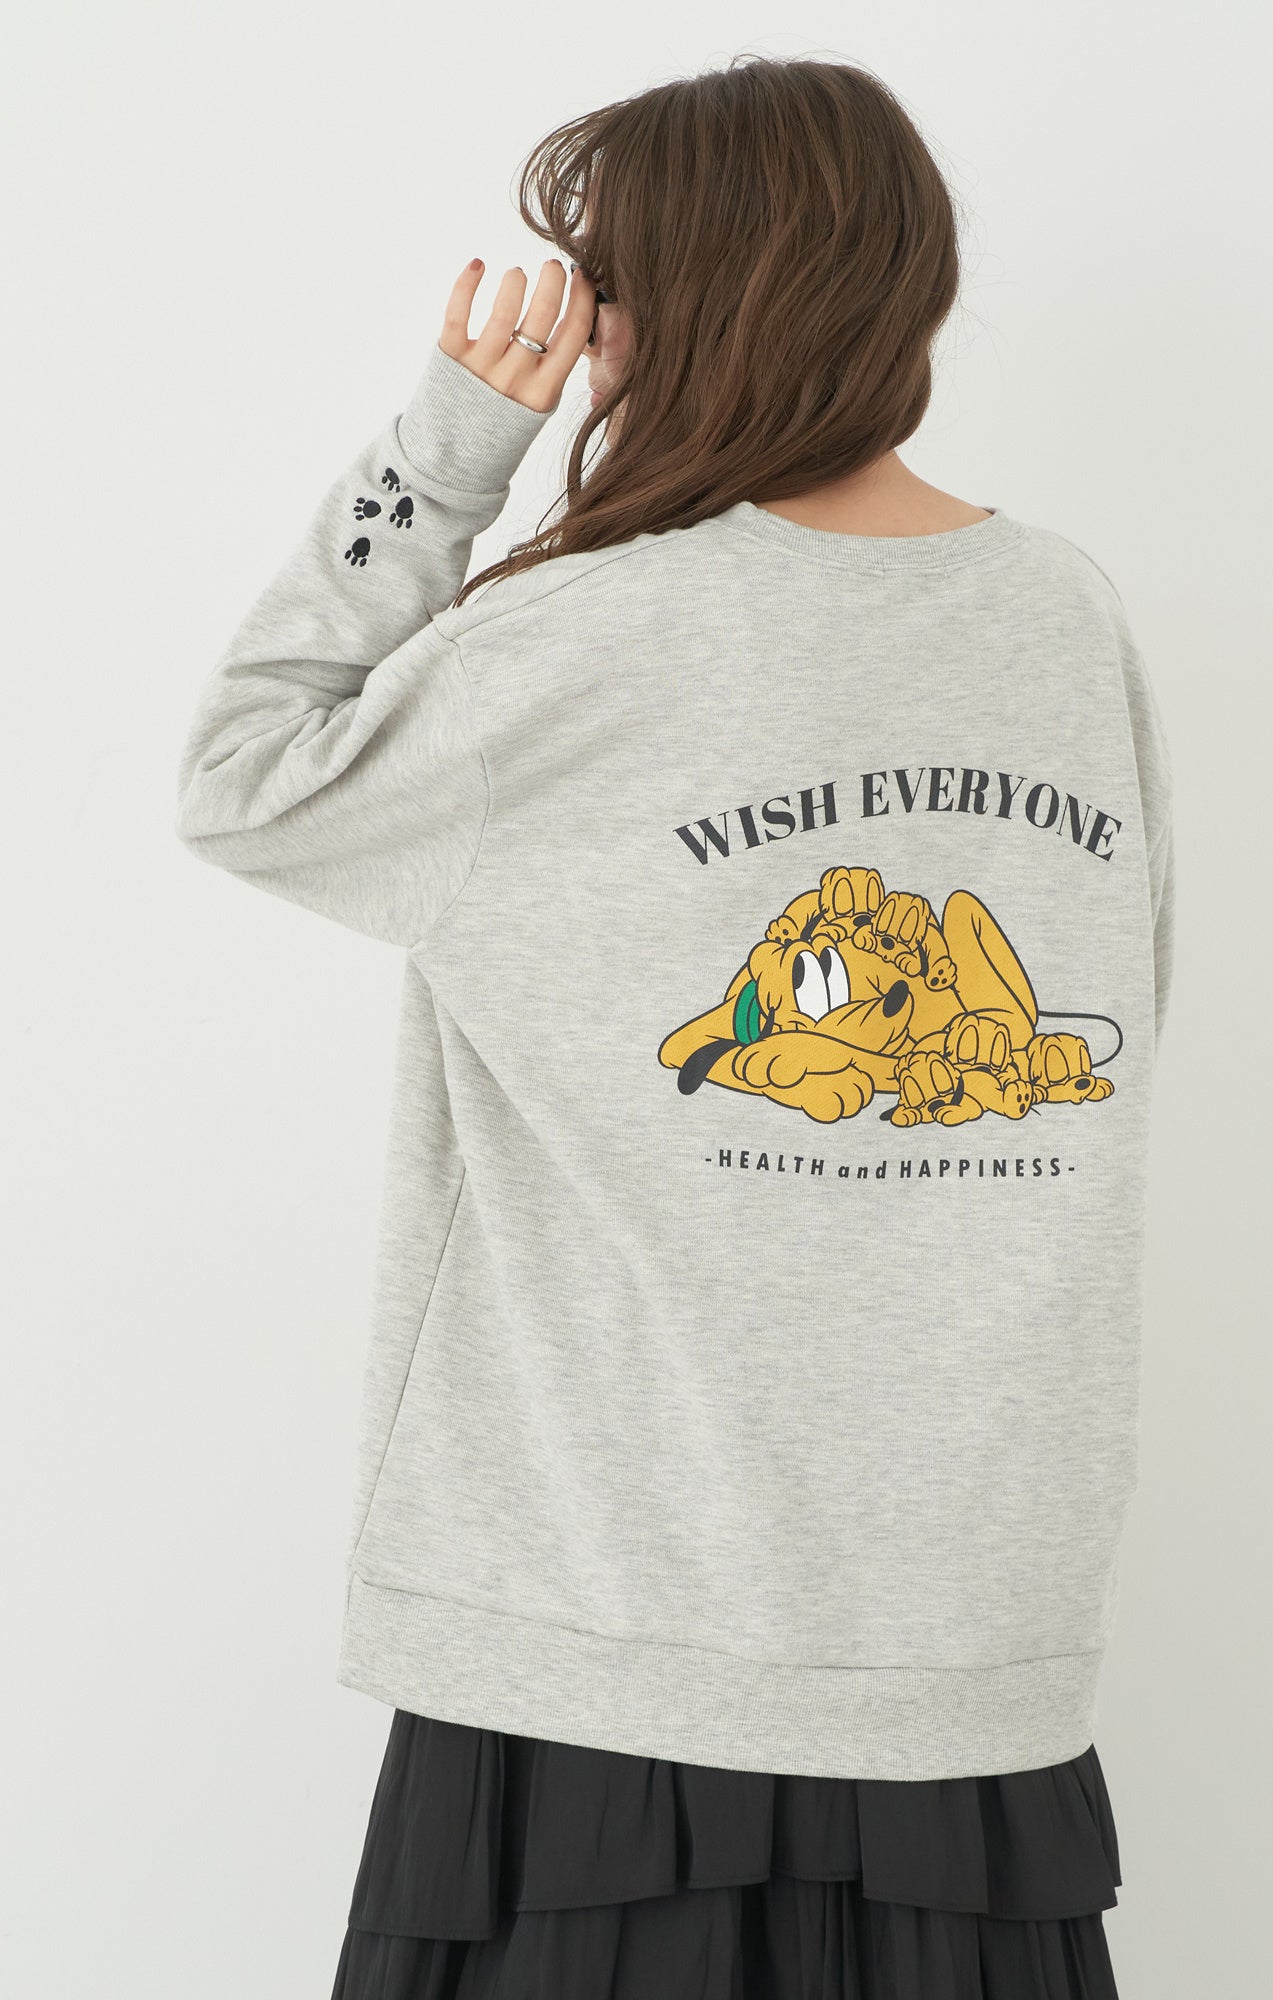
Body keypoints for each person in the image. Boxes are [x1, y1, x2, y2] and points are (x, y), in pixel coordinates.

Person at [175, 52, 1173, 2000]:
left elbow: (239, 775)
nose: (596, 336)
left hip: (603, 1630)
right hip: (967, 1626)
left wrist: (453, 448)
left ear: (692, 307)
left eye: (608, 288)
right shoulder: (1066, 616)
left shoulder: (572, 644)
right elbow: (1130, 1022)